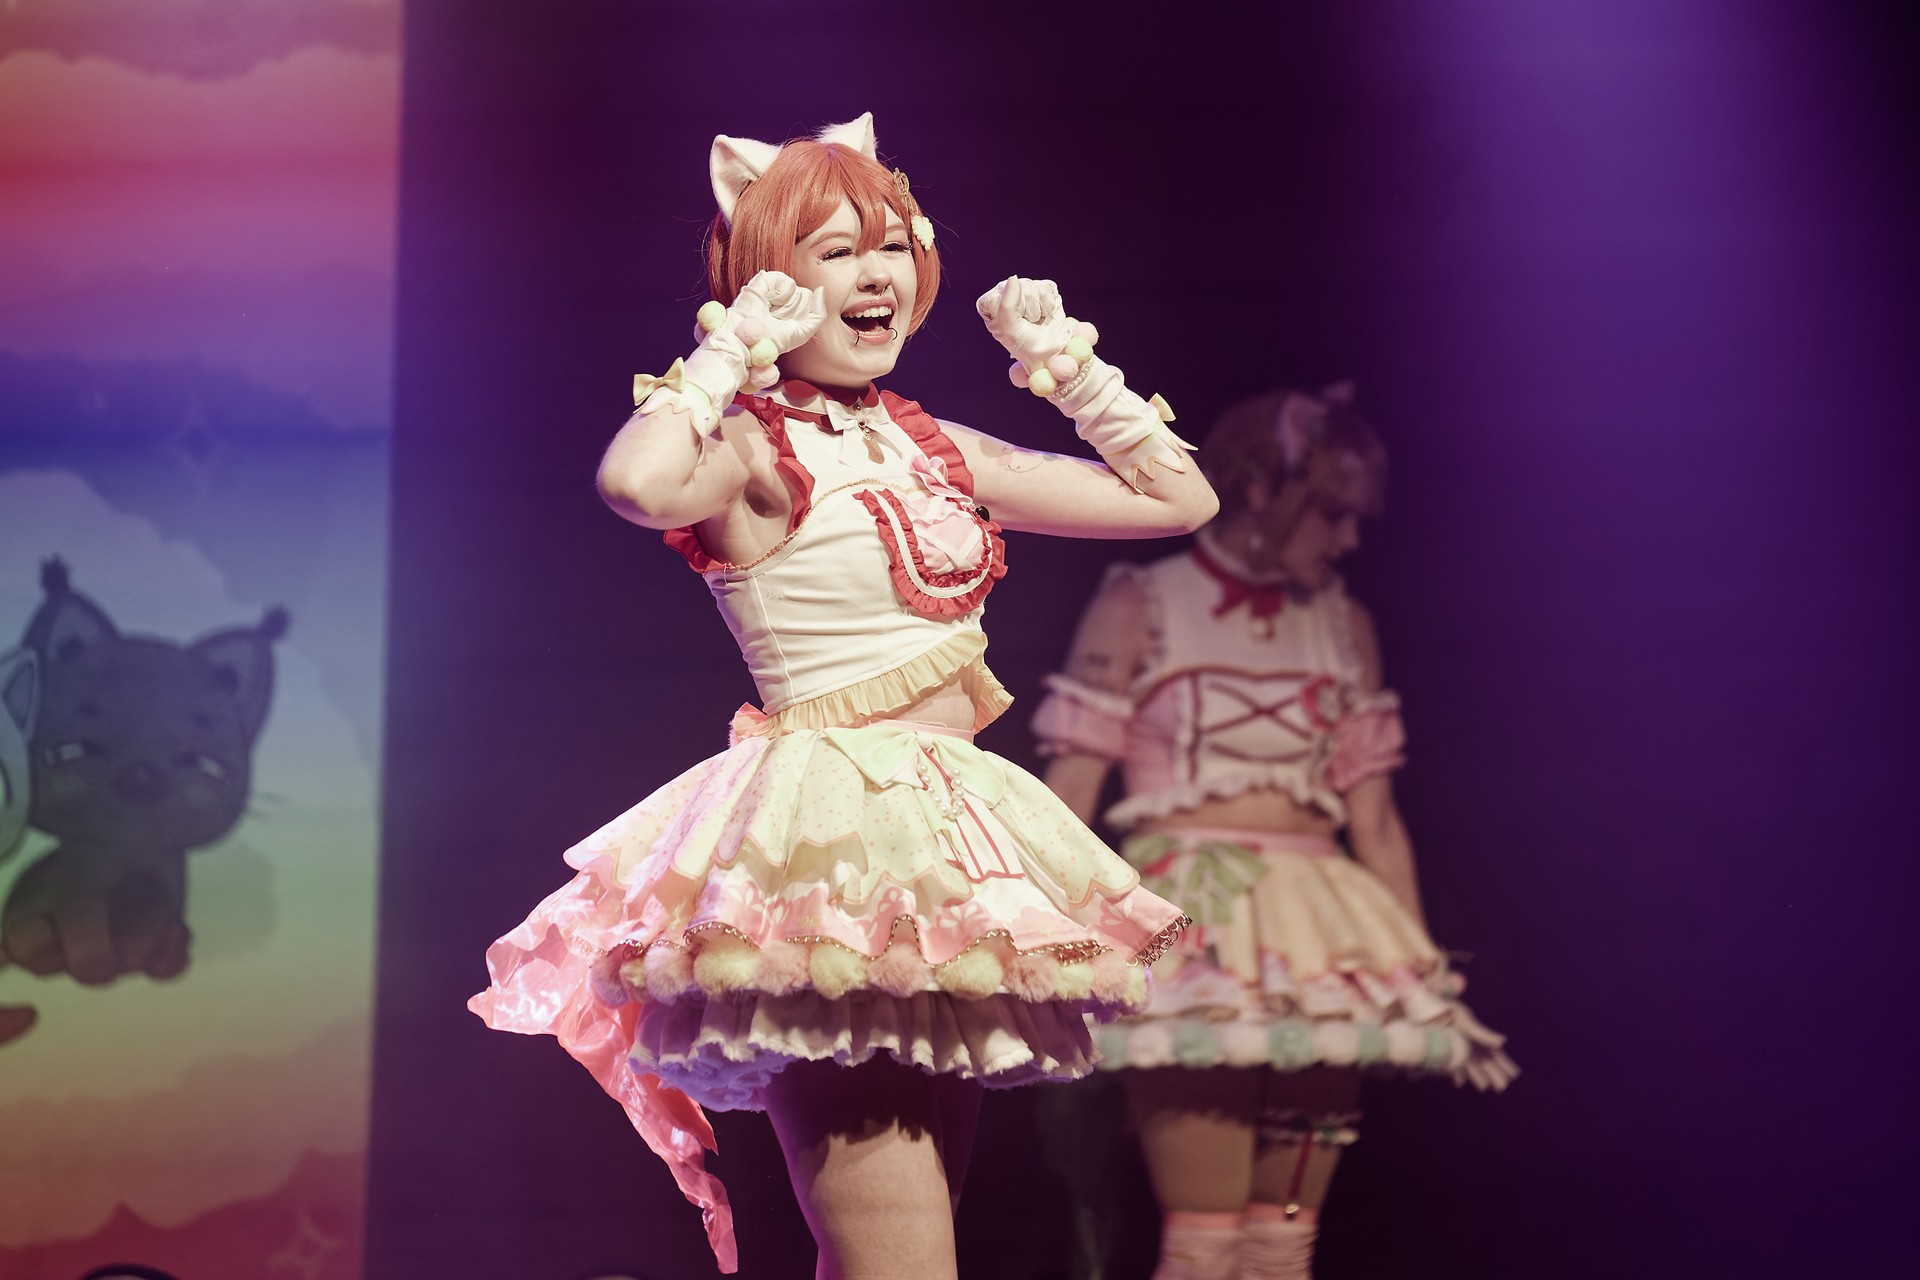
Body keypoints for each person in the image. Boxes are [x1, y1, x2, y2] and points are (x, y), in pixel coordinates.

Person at [468, 114, 1217, 1279]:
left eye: (892, 246)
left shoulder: (933, 446)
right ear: (774, 279)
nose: (876, 274)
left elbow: (1180, 501)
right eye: (835, 251)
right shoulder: (749, 449)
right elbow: (635, 481)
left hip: (944, 843)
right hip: (827, 848)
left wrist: (1066, 363)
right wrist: (728, 351)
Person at [1034, 386, 1517, 1280]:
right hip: (1192, 917)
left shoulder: (1344, 623)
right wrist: (1049, 942)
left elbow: (1375, 818)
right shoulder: (1143, 601)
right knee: (1206, 1235)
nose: (1349, 539)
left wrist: (1418, 966)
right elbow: (1070, 796)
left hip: (1320, 926)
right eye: (1333, 513)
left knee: (1283, 1240)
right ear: (1261, 490)